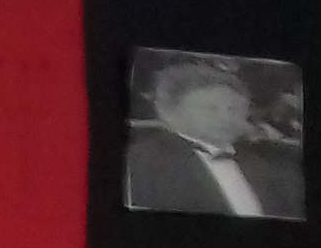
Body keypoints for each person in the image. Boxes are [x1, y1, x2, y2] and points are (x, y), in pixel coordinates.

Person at [127, 59, 305, 219]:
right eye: (211, 109)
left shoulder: (272, 159)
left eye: (234, 109)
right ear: (171, 113)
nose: (226, 118)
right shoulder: (141, 161)